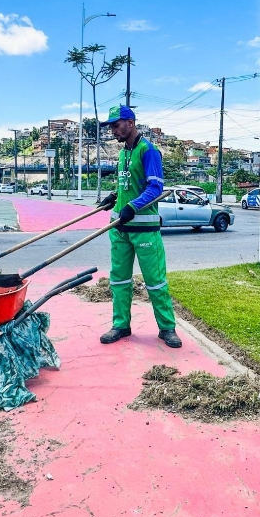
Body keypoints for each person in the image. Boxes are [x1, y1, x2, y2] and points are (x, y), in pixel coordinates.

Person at [98, 105, 182, 348]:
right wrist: (115, 197)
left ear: (131, 122)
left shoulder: (149, 151)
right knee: (119, 280)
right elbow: (129, 185)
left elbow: (155, 188)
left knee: (155, 281)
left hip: (144, 230)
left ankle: (167, 328)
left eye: (116, 125)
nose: (113, 130)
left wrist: (132, 206)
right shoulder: (124, 153)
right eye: (111, 126)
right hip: (119, 228)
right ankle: (121, 325)